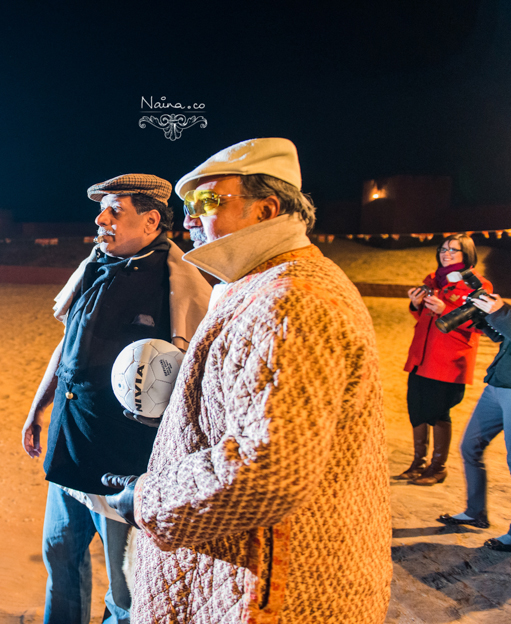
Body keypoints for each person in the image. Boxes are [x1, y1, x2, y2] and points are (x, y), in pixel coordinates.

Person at [103, 139, 391, 623]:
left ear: (267, 208)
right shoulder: (262, 283)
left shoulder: (290, 300)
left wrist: (147, 498)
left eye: (208, 202)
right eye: (188, 206)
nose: (190, 218)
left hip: (267, 592)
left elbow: (268, 468)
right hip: (242, 574)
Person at [21, 174, 211, 624]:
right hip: (70, 444)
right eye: (102, 210)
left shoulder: (180, 286)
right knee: (60, 558)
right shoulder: (94, 266)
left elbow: (195, 389)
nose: (100, 219)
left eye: (114, 211)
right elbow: (65, 346)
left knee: (125, 593)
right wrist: (37, 408)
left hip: (123, 467)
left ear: (150, 221)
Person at [398, 234, 492, 485]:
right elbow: (424, 320)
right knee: (416, 408)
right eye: (443, 249)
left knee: (439, 412)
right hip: (422, 357)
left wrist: (446, 310)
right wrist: (417, 304)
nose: (446, 253)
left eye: (454, 250)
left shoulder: (478, 286)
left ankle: (438, 467)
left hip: (449, 360)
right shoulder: (433, 281)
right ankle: (417, 463)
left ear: (467, 254)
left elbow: (481, 326)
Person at [436, 291, 511, 551]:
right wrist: (482, 319)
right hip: (497, 386)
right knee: (470, 446)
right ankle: (475, 512)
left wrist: (500, 313)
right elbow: (505, 337)